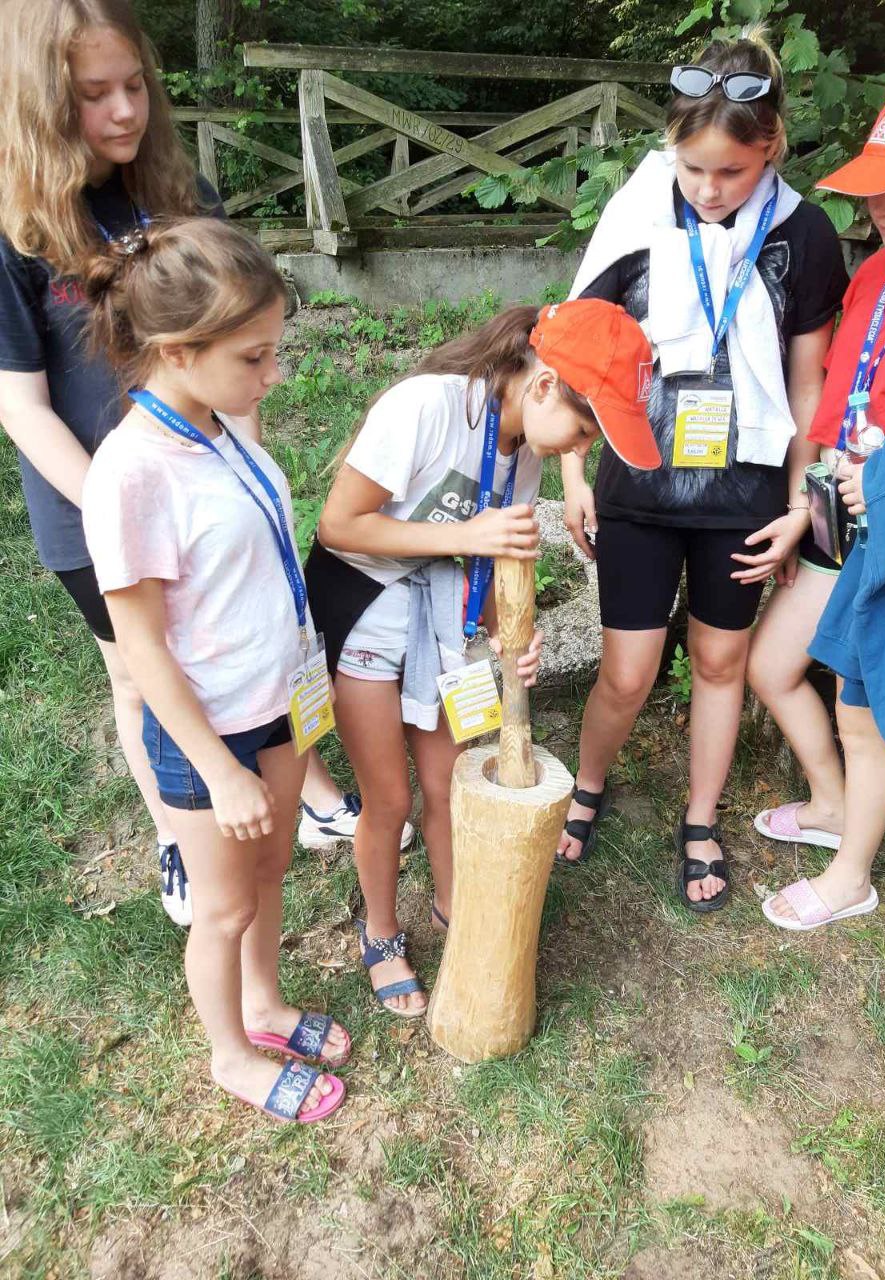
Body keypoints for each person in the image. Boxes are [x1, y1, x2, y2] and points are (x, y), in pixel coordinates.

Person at [0, 0, 380, 928]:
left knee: (251, 639)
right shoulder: (15, 228)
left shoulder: (181, 187)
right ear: (41, 103)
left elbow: (235, 346)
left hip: (217, 494)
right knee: (145, 672)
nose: (126, 111)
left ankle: (303, 784)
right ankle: (180, 830)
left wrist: (245, 482)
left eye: (135, 85)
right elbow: (21, 404)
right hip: (100, 505)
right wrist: (119, 512)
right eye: (94, 95)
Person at [556, 29, 847, 913]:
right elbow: (581, 354)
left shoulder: (805, 234)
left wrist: (800, 505)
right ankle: (588, 784)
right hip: (638, 483)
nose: (709, 190)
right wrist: (573, 476)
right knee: (628, 671)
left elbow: (807, 382)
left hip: (745, 494)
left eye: (732, 172)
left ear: (773, 146)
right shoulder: (635, 213)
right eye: (692, 169)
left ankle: (699, 815)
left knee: (721, 661)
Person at [307, 299, 660, 1014]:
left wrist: (506, 637)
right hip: (365, 608)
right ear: (544, 385)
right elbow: (339, 525)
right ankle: (380, 931)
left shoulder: (523, 448)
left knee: (449, 784)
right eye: (583, 429)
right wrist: (466, 535)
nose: (580, 448)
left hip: (445, 618)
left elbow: (489, 561)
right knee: (390, 798)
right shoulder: (426, 407)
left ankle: (454, 908)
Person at [81, 217, 350, 1122]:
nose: (273, 376)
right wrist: (219, 771)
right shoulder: (131, 474)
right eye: (254, 357)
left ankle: (264, 1005)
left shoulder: (216, 424)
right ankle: (230, 1056)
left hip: (274, 701)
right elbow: (143, 648)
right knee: (223, 909)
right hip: (211, 733)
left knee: (270, 872)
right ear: (177, 352)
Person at [755, 66, 885, 929]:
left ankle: (852, 877)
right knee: (771, 665)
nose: (880, 206)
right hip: (840, 514)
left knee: (861, 703)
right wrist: (805, 510)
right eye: (876, 186)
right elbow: (841, 403)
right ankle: (834, 804)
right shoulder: (875, 271)